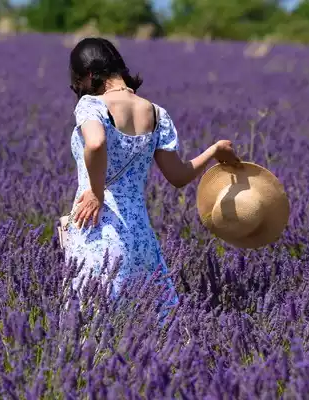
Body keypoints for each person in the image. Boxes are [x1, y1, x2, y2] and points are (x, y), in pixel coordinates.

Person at [63, 37, 240, 320]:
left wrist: (95, 193)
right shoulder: (157, 114)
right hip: (140, 237)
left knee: (90, 328)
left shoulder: (91, 105)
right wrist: (215, 151)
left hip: (96, 229)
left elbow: (95, 143)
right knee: (148, 328)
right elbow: (179, 176)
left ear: (87, 75)